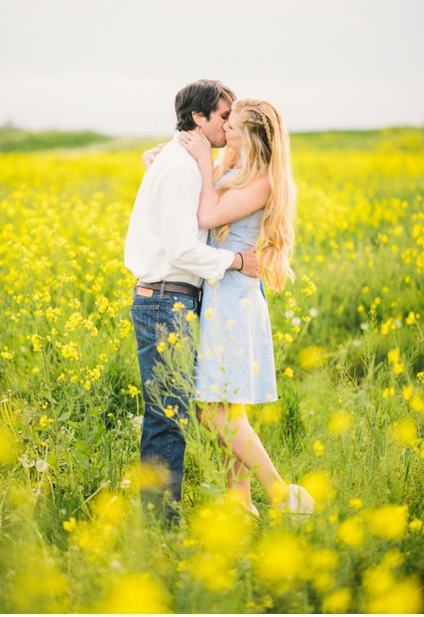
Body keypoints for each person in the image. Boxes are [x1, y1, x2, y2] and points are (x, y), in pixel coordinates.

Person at [124, 79, 260, 522]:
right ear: (198, 119)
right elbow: (183, 250)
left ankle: (161, 519)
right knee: (168, 415)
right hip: (166, 301)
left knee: (174, 412)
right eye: (223, 117)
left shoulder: (179, 159)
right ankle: (160, 526)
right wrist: (238, 260)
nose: (229, 125)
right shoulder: (181, 167)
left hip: (169, 300)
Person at [176, 98, 315, 517]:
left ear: (253, 136)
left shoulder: (263, 182)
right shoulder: (236, 170)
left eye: (233, 127)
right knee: (227, 406)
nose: (225, 133)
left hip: (233, 300)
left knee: (208, 410)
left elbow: (206, 213)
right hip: (223, 292)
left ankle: (280, 494)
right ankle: (241, 501)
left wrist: (202, 160)